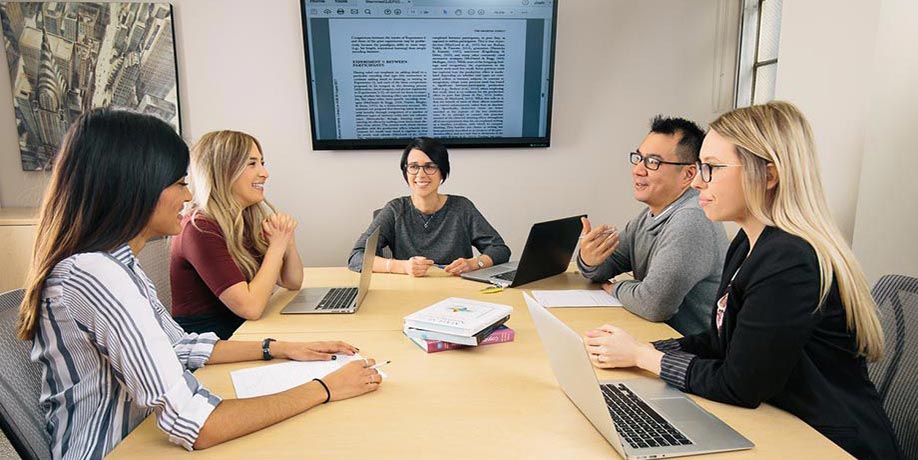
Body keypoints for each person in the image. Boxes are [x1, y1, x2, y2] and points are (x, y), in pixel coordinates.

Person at [17, 110, 382, 458]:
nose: (188, 195)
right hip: (118, 449)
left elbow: (179, 347)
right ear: (136, 187)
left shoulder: (118, 263)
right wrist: (325, 388)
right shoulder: (94, 274)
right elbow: (196, 424)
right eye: (179, 183)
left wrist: (282, 347)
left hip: (143, 434)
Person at [583, 102, 900, 459]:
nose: (699, 180)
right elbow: (723, 342)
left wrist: (641, 356)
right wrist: (645, 351)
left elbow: (740, 384)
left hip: (828, 443)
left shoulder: (789, 259)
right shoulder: (748, 246)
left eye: (712, 168)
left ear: (768, 175)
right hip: (778, 422)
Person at [578, 117, 727, 335]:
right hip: (653, 337)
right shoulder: (651, 214)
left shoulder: (692, 220)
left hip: (686, 354)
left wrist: (615, 288)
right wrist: (590, 259)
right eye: (639, 158)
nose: (638, 170)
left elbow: (653, 305)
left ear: (688, 174)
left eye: (653, 162)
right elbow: (610, 264)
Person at [170, 131, 303, 339]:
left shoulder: (242, 220)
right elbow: (251, 308)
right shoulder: (199, 229)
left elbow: (293, 281)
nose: (264, 173)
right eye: (252, 164)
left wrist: (288, 243)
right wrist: (277, 246)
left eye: (262, 163)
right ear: (223, 171)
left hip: (243, 333)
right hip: (213, 345)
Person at [348, 137, 510, 277]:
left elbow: (500, 250)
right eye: (413, 166)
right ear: (406, 172)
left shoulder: (462, 207)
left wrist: (474, 264)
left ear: (442, 172)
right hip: (409, 290)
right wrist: (402, 266)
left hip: (457, 292)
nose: (421, 175)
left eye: (430, 166)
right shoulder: (395, 209)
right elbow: (356, 256)